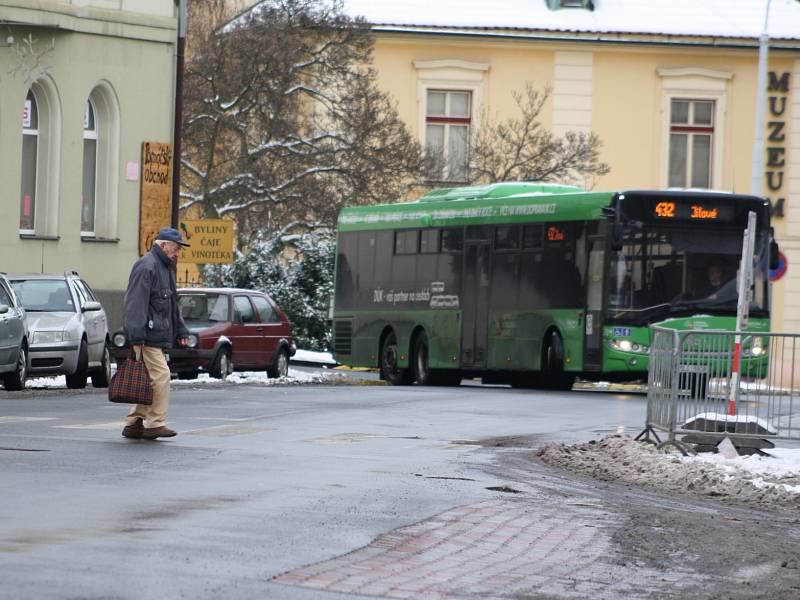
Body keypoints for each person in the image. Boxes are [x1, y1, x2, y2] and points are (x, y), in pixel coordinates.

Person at [121, 228, 191, 440]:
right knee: (161, 376)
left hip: (152, 333)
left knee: (149, 379)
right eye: (176, 248)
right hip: (146, 334)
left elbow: (171, 304)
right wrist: (136, 335)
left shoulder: (164, 267)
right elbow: (135, 303)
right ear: (163, 245)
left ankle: (135, 422)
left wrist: (181, 329)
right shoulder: (147, 266)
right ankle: (154, 423)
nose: (178, 252)